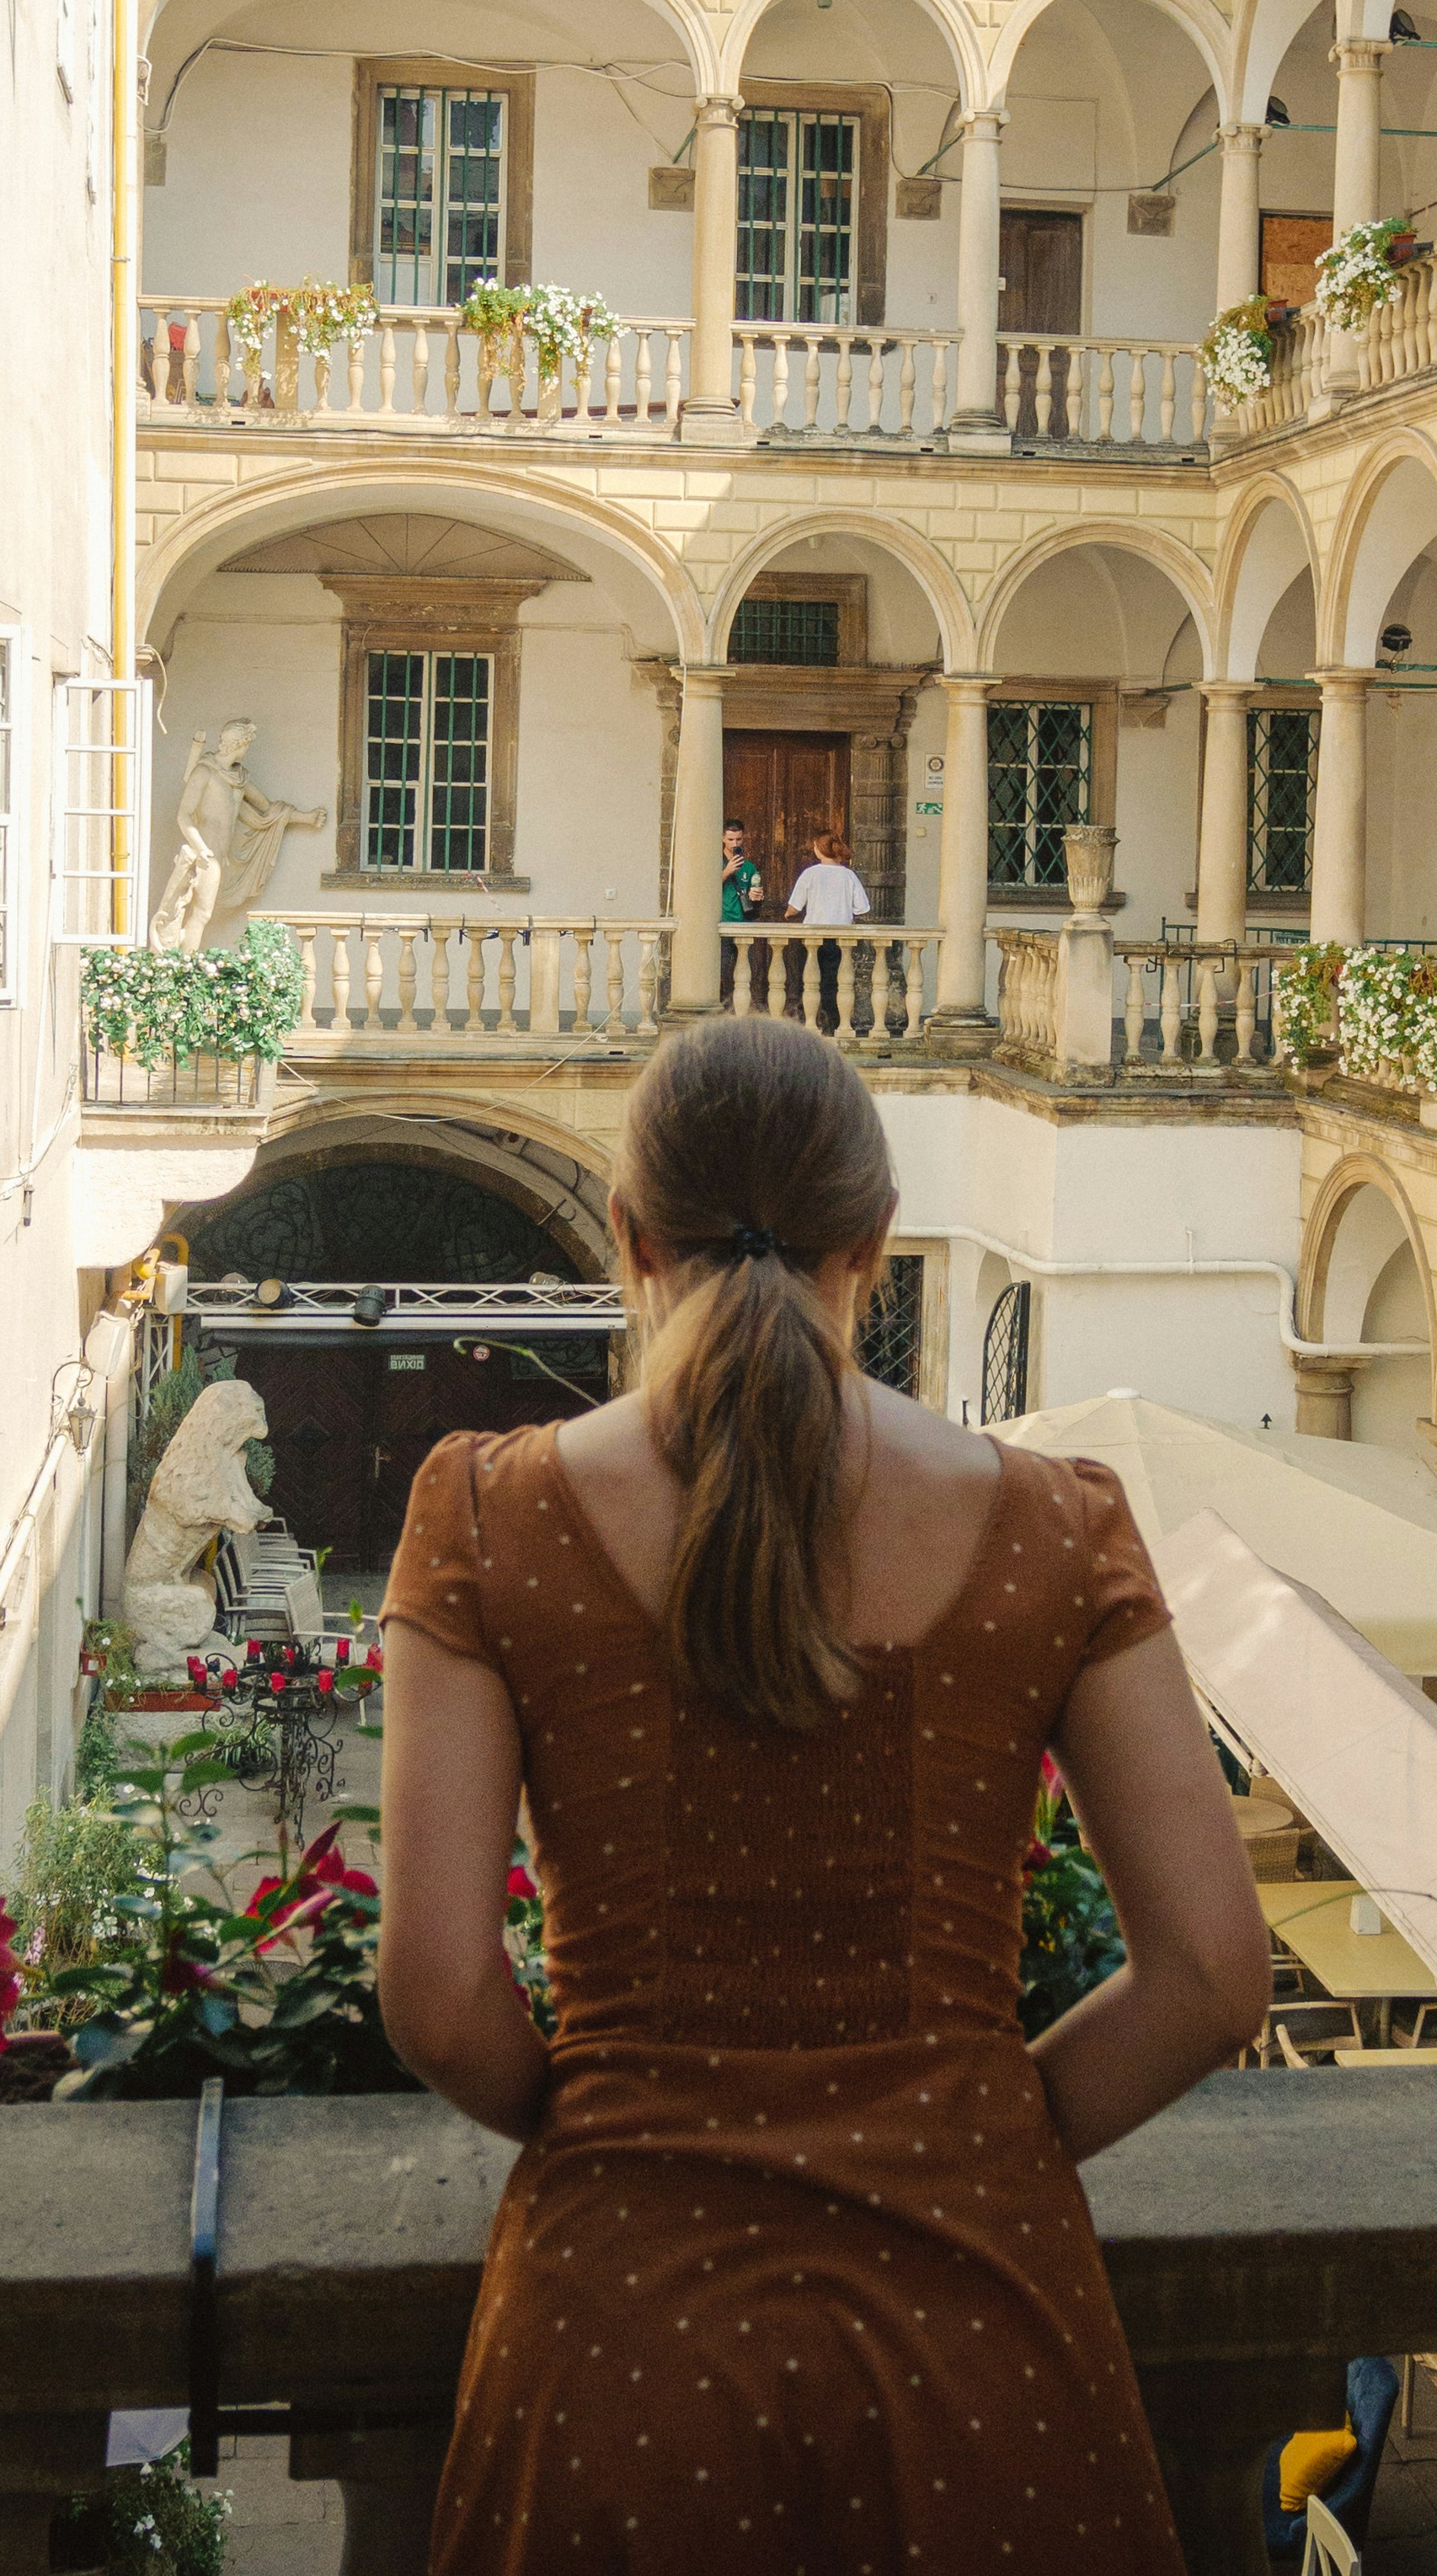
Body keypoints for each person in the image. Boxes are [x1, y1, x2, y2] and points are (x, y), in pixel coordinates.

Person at [377, 1015, 1270, 2573]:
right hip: (987, 2343)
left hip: (617, 2349)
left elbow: (442, 1996)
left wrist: (621, 2129)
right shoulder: (1058, 1529)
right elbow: (1210, 1975)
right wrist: (971, 2129)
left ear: (629, 1237)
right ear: (874, 1242)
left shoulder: (486, 1516)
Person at [783, 829, 873, 1031]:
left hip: (812, 937)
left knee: (809, 981)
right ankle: (834, 1025)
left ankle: (809, 1023)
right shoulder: (848, 876)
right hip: (840, 937)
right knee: (834, 983)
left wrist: (788, 914)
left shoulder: (811, 874)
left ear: (819, 849)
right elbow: (862, 908)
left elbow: (795, 907)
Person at [717, 819, 762, 1008]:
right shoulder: (715, 863)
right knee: (723, 972)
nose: (735, 844)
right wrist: (726, 872)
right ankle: (724, 1009)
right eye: (731, 839)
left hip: (744, 925)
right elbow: (703, 890)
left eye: (739, 839)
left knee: (746, 974)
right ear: (723, 839)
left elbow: (755, 894)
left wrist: (757, 895)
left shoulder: (749, 867)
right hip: (723, 924)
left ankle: (743, 1010)